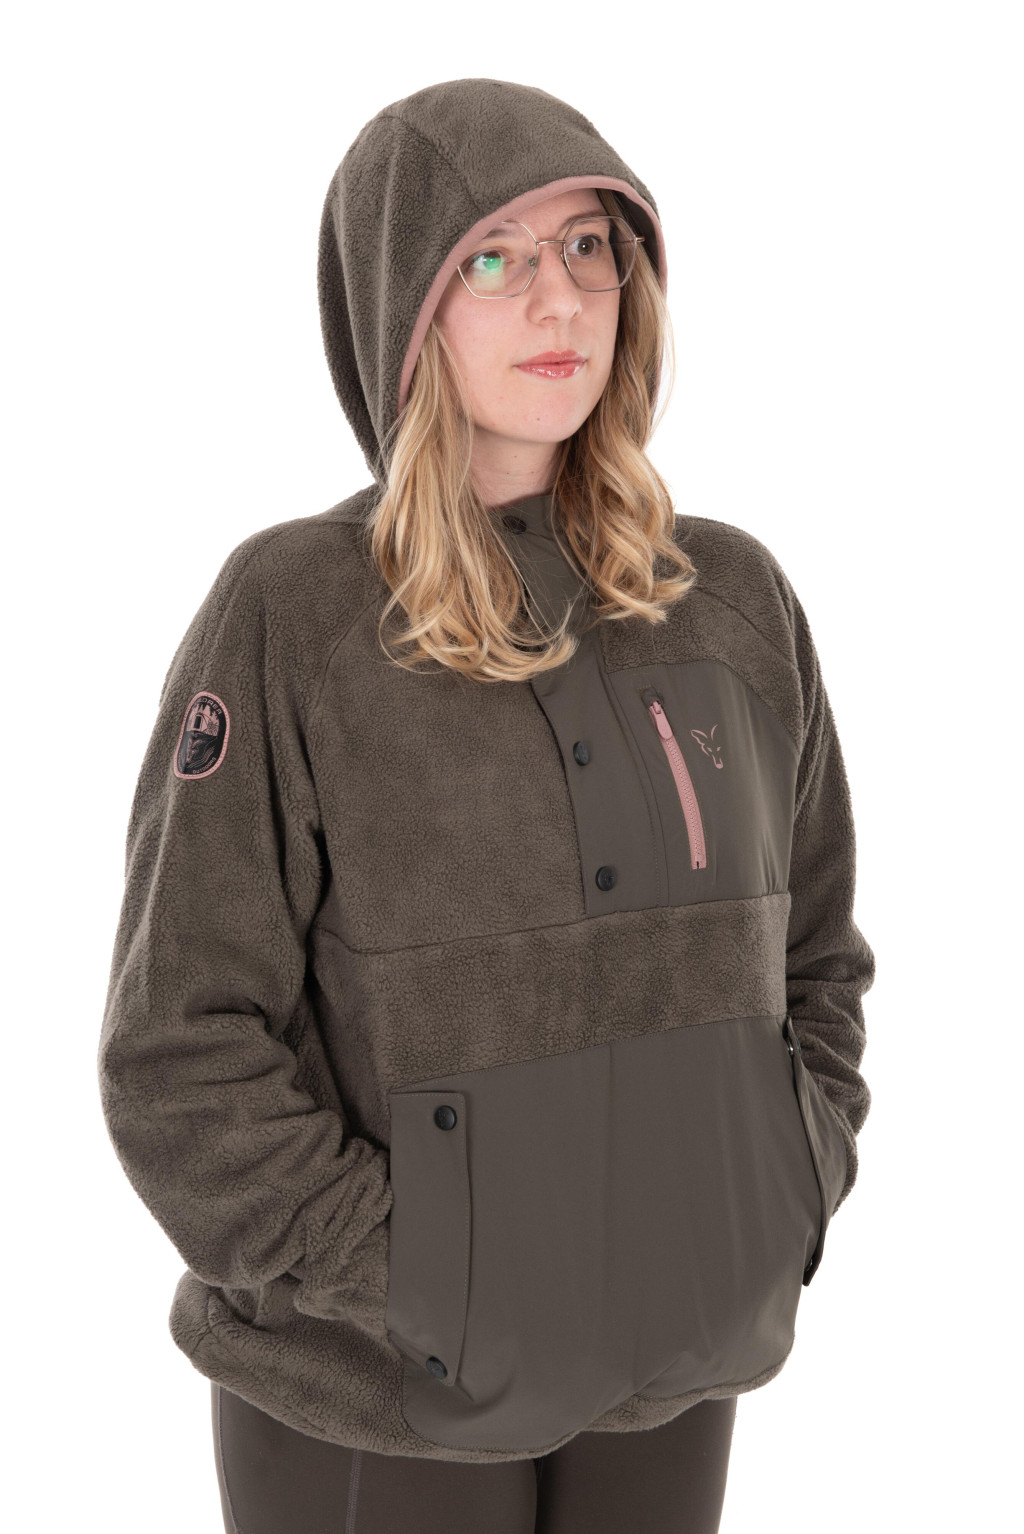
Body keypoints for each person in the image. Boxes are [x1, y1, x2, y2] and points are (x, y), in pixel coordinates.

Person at [97, 77, 875, 1534]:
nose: (559, 299)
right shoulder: (294, 615)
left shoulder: (734, 599)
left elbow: (817, 959)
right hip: (379, 1396)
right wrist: (426, 1273)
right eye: (495, 259)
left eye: (587, 248)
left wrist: (780, 1185)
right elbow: (178, 1052)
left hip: (675, 1371)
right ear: (406, 308)